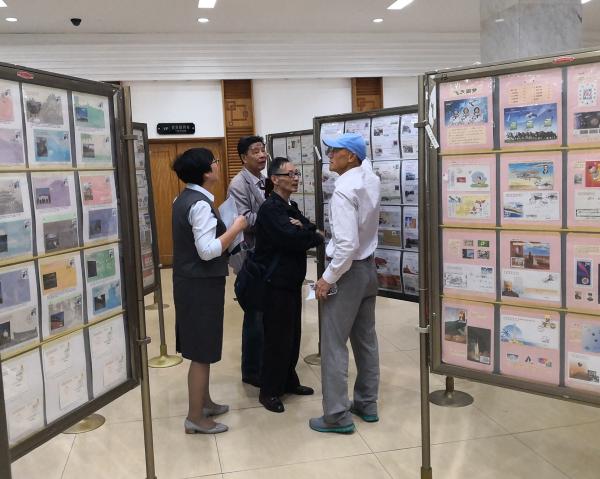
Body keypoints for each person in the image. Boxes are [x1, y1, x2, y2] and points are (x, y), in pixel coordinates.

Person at [172, 148, 247, 434]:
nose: (218, 165)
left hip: (192, 283)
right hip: (199, 285)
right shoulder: (200, 205)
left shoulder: (185, 198)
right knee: (201, 352)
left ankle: (205, 403)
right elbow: (207, 250)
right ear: (205, 171)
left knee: (202, 347)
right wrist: (236, 227)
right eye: (214, 162)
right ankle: (195, 418)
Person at [310, 133, 381, 434]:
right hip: (368, 270)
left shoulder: (343, 191)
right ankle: (367, 403)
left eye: (334, 151)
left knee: (334, 343)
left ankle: (337, 415)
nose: (329, 155)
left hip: (347, 273)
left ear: (350, 157)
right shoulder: (369, 178)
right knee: (366, 340)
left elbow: (346, 245)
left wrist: (327, 279)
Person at [254, 157, 324, 413]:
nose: (296, 178)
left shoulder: (289, 205)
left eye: (297, 174)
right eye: (290, 174)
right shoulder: (270, 209)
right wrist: (306, 232)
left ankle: (288, 380)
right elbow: (294, 239)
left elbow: (312, 230)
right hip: (275, 283)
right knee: (277, 338)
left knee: (292, 335)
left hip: (291, 281)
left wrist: (304, 228)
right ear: (275, 179)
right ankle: (269, 391)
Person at [227, 136, 268, 387]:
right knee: (254, 314)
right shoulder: (238, 184)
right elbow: (244, 219)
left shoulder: (265, 180)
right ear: (244, 157)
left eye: (263, 150)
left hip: (267, 255)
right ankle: (252, 371)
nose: (262, 155)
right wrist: (275, 217)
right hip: (250, 257)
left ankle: (265, 364)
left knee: (265, 314)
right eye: (256, 151)